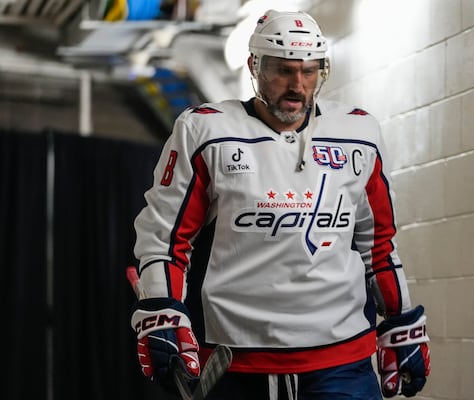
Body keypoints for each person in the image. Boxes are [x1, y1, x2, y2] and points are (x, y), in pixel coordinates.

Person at [130, 9, 430, 400]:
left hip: (341, 361)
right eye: (283, 70)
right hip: (235, 360)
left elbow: (379, 245)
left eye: (309, 71)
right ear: (254, 66)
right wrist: (161, 308)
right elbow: (165, 237)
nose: (297, 85)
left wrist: (400, 319)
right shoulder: (204, 130)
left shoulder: (360, 133)